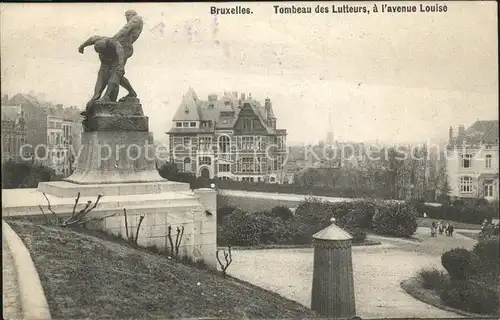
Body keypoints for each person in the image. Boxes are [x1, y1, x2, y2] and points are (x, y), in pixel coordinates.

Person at [78, 10, 143, 115]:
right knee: (105, 77)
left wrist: (121, 66)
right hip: (115, 51)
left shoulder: (136, 19)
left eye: (128, 15)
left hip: (124, 48)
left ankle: (107, 96)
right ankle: (130, 92)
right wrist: (82, 46)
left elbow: (125, 30)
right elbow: (91, 39)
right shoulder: (101, 40)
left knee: (116, 73)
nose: (126, 17)